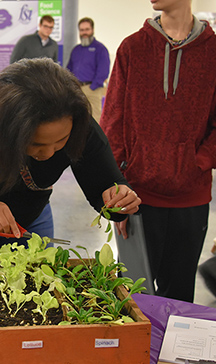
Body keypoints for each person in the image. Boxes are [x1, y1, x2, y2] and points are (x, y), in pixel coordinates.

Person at [0, 58, 141, 260]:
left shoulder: (78, 124)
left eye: (61, 141)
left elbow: (105, 185)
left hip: (29, 218)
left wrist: (118, 198)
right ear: (7, 131)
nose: (50, 153)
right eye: (36, 144)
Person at [100, 0, 216, 303]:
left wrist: (197, 161)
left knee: (178, 299)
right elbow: (112, 123)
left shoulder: (213, 52)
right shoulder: (132, 48)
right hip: (138, 196)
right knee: (132, 298)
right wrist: (116, 195)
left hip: (191, 198)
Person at [66, 17, 110, 122]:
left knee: (94, 120)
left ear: (92, 30)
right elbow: (68, 69)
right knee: (77, 120)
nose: (84, 32)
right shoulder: (76, 50)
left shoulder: (100, 49)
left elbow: (103, 71)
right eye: (82, 30)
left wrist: (92, 87)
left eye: (87, 29)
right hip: (76, 90)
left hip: (92, 90)